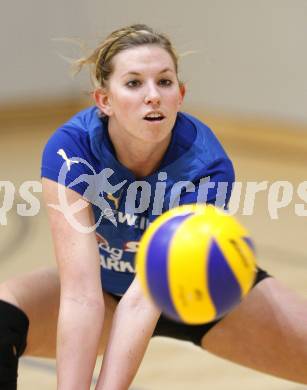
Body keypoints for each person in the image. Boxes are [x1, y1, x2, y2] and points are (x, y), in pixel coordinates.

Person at [0, 24, 307, 390]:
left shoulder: (206, 166)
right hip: (105, 292)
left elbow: (144, 299)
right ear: (104, 101)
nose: (153, 96)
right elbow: (81, 293)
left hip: (200, 291)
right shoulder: (72, 150)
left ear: (180, 94)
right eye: (133, 83)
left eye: (164, 82)